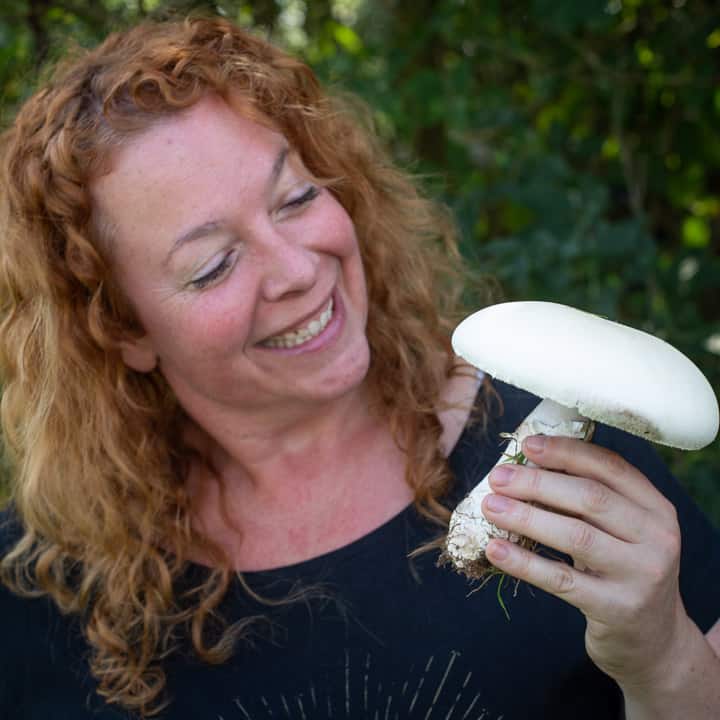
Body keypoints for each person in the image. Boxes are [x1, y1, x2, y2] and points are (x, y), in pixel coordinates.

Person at [0, 16, 718, 720]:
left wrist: (663, 657)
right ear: (121, 329)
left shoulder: (569, 454)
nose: (297, 269)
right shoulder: (32, 590)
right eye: (213, 264)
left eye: (297, 197)